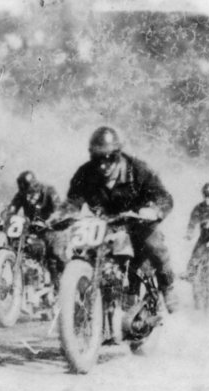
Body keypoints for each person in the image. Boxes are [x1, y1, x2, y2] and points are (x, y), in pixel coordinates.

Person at [66, 126, 178, 312]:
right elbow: (73, 200)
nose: (103, 165)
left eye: (110, 158)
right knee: (80, 251)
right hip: (106, 224)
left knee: (154, 244)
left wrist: (153, 210)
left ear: (118, 154)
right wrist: (63, 215)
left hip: (138, 221)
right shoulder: (85, 173)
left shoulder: (138, 169)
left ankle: (167, 286)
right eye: (98, 159)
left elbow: (163, 196)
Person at [182, 182, 209, 281]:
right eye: (206, 196)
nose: (208, 199)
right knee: (196, 254)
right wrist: (189, 233)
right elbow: (192, 221)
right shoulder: (200, 207)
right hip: (205, 236)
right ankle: (190, 273)